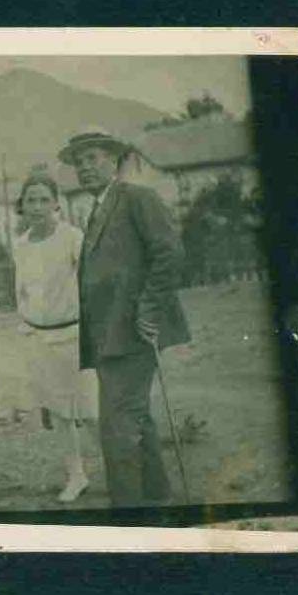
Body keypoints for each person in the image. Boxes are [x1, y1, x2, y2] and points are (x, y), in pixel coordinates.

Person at [58, 127, 191, 508]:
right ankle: (157, 494)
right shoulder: (97, 209)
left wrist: (148, 311)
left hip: (133, 333)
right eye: (79, 162)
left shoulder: (137, 198)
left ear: (114, 161)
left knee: (117, 427)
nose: (85, 168)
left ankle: (128, 516)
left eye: (93, 158)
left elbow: (169, 254)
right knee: (134, 417)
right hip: (109, 337)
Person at [12, 169, 99, 503]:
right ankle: (76, 475)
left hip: (75, 335)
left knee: (90, 411)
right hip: (39, 338)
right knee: (60, 413)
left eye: (44, 199)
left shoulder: (72, 237)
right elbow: (21, 291)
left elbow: (90, 284)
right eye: (31, 200)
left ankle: (121, 471)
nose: (37, 206)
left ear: (55, 203)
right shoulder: (19, 245)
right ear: (23, 205)